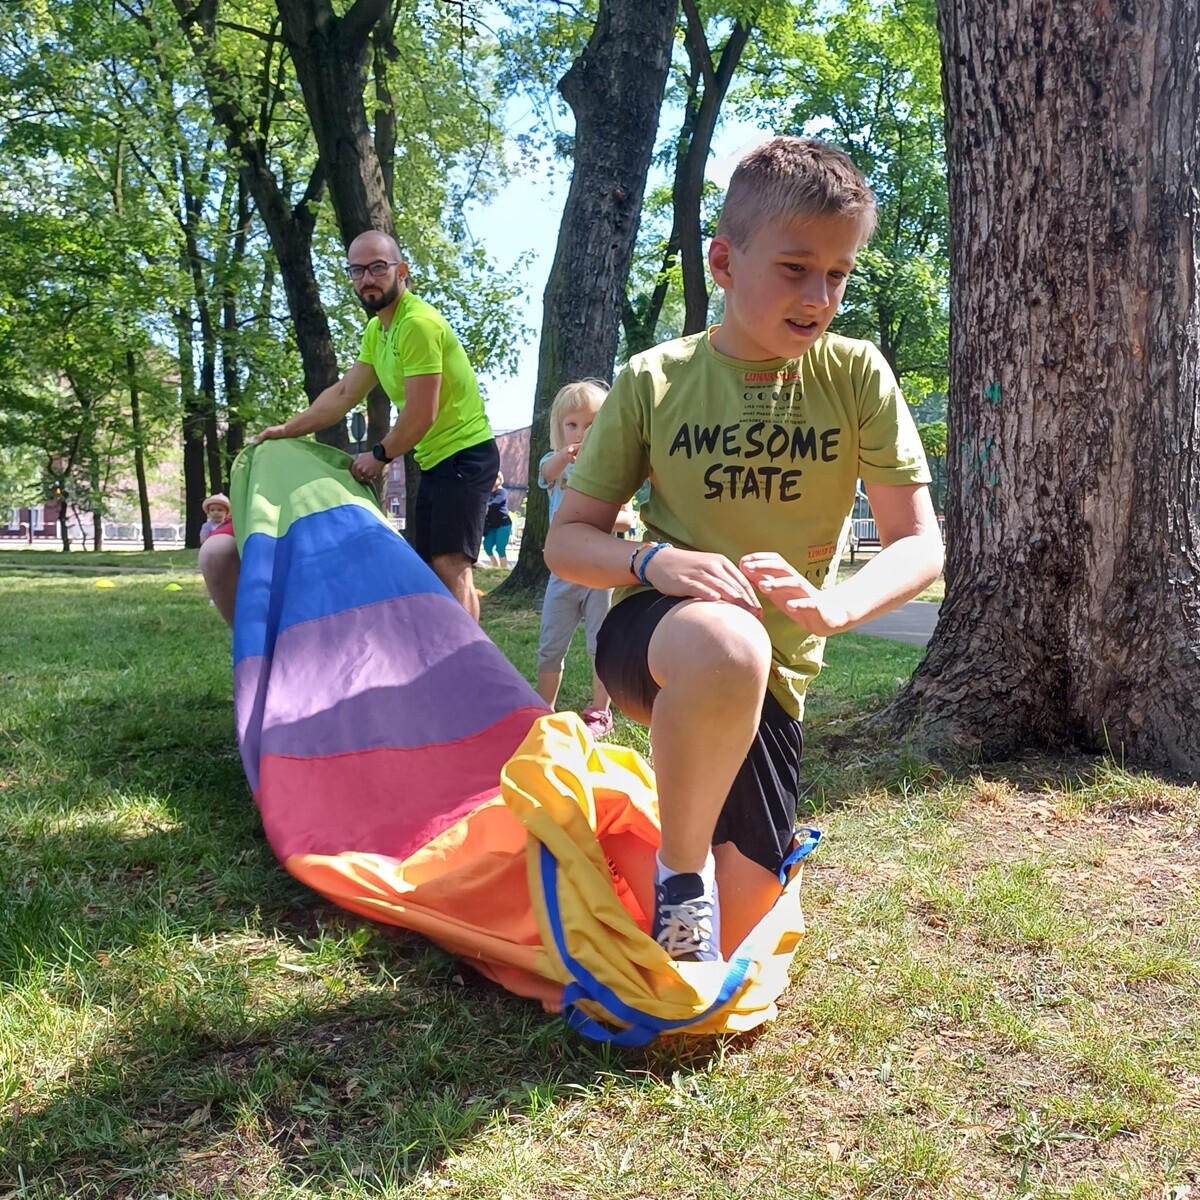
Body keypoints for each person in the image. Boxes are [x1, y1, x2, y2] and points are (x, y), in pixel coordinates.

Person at [544, 137, 944, 963]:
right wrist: (655, 564)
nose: (819, 295)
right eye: (795, 268)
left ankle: (713, 856)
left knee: (747, 932)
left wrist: (836, 607)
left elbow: (918, 542)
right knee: (730, 639)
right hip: (657, 637)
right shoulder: (654, 378)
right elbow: (566, 542)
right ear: (724, 262)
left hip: (777, 679)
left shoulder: (857, 374)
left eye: (837, 274)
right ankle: (679, 873)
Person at [202, 230, 499, 629]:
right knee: (433, 566)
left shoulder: (418, 325)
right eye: (357, 271)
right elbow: (343, 393)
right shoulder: (378, 332)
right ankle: (454, 664)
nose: (367, 279)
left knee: (450, 564)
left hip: (465, 454)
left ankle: (473, 678)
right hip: (434, 459)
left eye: (378, 267)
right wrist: (289, 429)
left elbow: (421, 413)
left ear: (402, 270)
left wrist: (379, 456)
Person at [535, 379, 634, 739]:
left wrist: (597, 519)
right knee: (551, 644)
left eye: (591, 424)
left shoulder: (613, 468)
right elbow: (546, 475)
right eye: (572, 424)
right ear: (559, 429)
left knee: (601, 643)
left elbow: (628, 517)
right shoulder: (554, 463)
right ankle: (542, 709)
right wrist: (564, 457)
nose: (581, 432)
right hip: (563, 570)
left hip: (601, 571)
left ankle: (600, 711)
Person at [482, 472, 513, 568]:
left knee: (500, 548)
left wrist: (485, 506)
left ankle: (503, 569)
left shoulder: (502, 492)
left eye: (495, 478)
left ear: (500, 479)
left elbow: (495, 503)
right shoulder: (487, 492)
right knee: (487, 546)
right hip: (492, 526)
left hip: (503, 525)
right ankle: (495, 565)